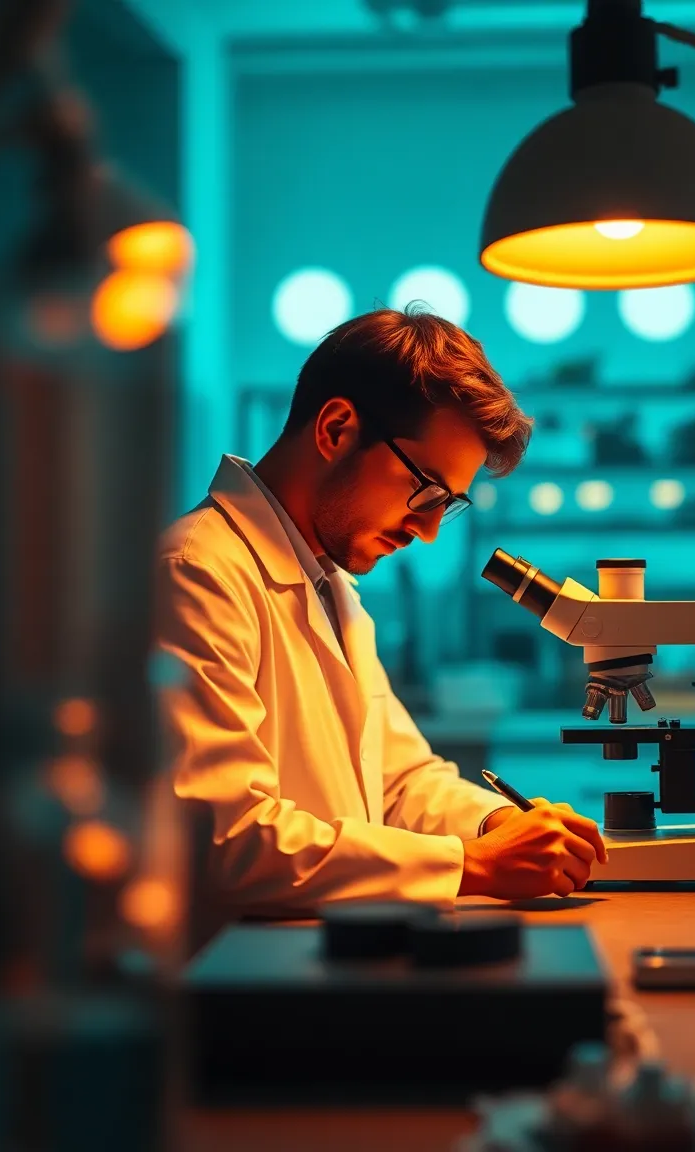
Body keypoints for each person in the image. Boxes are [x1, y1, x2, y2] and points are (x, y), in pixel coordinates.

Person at [155, 307, 607, 921]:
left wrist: (503, 824)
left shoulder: (331, 588)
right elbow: (227, 842)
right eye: (426, 490)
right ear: (337, 428)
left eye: (447, 505)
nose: (426, 531)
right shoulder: (195, 573)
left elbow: (400, 781)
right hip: (237, 988)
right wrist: (473, 865)